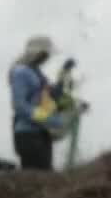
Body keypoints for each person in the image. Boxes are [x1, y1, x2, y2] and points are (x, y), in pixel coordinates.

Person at [8, 35, 74, 170]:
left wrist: (64, 75)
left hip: (42, 132)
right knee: (35, 179)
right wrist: (46, 118)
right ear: (37, 53)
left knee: (46, 176)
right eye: (45, 54)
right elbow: (19, 105)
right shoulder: (20, 73)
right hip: (28, 135)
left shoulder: (36, 72)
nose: (47, 58)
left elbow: (48, 93)